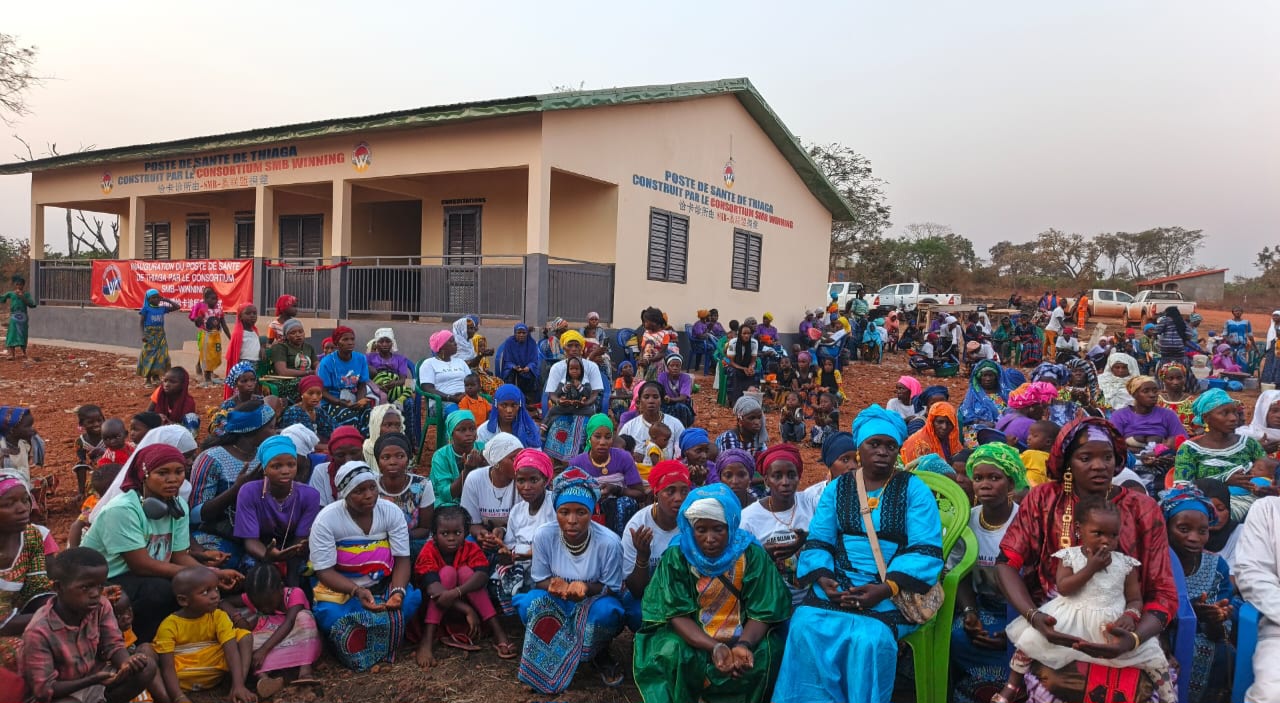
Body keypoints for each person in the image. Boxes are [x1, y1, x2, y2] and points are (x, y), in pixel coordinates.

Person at [996, 417, 1178, 703]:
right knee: (1056, 683)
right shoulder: (1044, 499)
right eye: (1085, 457)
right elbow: (1006, 561)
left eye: (1107, 457)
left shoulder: (1142, 508)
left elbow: (1163, 592)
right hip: (1059, 627)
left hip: (1124, 629)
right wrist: (1034, 617)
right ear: (1067, 463)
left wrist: (1132, 639)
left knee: (1137, 691)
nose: (1099, 466)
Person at [774, 405, 943, 703]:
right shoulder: (838, 488)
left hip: (892, 591)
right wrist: (824, 578)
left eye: (890, 446)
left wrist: (885, 588)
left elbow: (925, 548)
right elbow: (820, 538)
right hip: (839, 584)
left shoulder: (914, 490)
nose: (882, 452)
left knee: (870, 640)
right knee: (805, 625)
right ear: (859, 449)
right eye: (874, 444)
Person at [1000, 498, 1173, 703]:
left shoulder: (1125, 564)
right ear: (1079, 530)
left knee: (1153, 654)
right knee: (1029, 641)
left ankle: (1168, 696)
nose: (1106, 541)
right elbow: (1064, 587)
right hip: (1072, 617)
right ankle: (1011, 686)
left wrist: (1130, 614)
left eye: (1113, 535)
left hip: (1109, 623)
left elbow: (1135, 599)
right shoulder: (1070, 557)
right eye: (1098, 533)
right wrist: (1091, 568)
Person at [633, 482, 791, 703]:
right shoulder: (677, 555)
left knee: (768, 651)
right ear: (690, 528)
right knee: (671, 651)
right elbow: (677, 613)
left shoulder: (751, 554)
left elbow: (763, 609)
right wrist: (715, 646)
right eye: (701, 529)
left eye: (719, 528)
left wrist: (743, 645)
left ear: (732, 525)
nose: (710, 538)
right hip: (692, 636)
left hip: (743, 631)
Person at [83, 444, 243, 643]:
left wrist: (213, 574)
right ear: (144, 474)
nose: (173, 479)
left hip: (146, 575)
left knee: (201, 584)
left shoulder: (178, 506)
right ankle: (148, 644)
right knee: (163, 589)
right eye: (162, 473)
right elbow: (141, 565)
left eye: (179, 472)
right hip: (107, 579)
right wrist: (202, 575)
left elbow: (180, 556)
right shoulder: (122, 510)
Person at [514, 470, 625, 692]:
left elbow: (612, 589)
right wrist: (555, 587)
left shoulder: (609, 543)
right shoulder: (545, 535)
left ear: (592, 512)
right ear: (556, 512)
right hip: (558, 600)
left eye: (581, 512)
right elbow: (539, 581)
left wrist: (587, 589)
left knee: (608, 612)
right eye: (564, 512)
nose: (572, 521)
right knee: (530, 603)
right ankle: (545, 656)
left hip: (592, 603)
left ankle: (598, 652)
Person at [309, 461, 422, 671]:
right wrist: (357, 590)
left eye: (372, 488)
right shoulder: (326, 520)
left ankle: (370, 644)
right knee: (333, 615)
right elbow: (324, 570)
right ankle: (358, 651)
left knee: (409, 601)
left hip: (383, 583)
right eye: (359, 491)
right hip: (343, 590)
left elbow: (402, 558)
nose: (369, 495)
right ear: (345, 493)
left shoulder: (390, 511)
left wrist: (397, 591)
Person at [20, 548, 156, 703]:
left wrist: (126, 663)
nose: (95, 594)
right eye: (85, 587)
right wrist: (93, 680)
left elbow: (114, 645)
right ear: (57, 588)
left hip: (95, 679)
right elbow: (45, 690)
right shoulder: (39, 631)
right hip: (61, 692)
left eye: (99, 586)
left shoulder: (101, 606)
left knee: (146, 668)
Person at [950, 443, 1028, 703]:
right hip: (981, 606)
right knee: (959, 635)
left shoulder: (1025, 523)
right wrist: (970, 613)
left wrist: (1012, 629)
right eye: (979, 478)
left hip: (1020, 611)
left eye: (994, 478)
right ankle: (972, 689)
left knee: (1023, 642)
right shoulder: (967, 521)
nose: (984, 484)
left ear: (1011, 483)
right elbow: (959, 575)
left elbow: (1034, 582)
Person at [414, 506, 516, 666]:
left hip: (464, 603)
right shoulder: (429, 550)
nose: (451, 538)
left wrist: (456, 592)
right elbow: (434, 591)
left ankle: (499, 632)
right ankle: (427, 639)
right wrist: (466, 609)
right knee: (447, 572)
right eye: (444, 534)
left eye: (457, 533)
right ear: (434, 535)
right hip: (438, 607)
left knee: (466, 573)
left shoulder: (469, 547)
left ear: (466, 533)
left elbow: (482, 576)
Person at [1159, 485, 1234, 703]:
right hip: (1160, 635)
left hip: (1204, 639)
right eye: (1183, 529)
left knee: (1224, 653)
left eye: (1202, 531)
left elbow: (1219, 633)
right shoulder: (1157, 562)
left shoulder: (1217, 565)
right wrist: (1185, 612)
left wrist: (1216, 617)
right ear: (1166, 527)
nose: (1194, 538)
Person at [188, 400, 276, 566]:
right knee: (222, 562)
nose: (275, 432)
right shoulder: (212, 459)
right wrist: (236, 490)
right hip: (218, 533)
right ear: (252, 430)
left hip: (255, 533)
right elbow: (195, 515)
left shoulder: (264, 455)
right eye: (271, 427)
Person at [153, 566, 254, 703]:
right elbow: (167, 667)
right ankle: (170, 699)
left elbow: (231, 651)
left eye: (216, 589)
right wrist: (179, 696)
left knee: (245, 636)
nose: (215, 595)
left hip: (212, 671)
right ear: (183, 600)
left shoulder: (218, 616)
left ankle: (237, 686)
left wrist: (238, 684)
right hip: (181, 675)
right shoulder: (169, 625)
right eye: (206, 592)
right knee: (146, 651)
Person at [233, 435, 321, 584]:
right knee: (256, 572)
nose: (285, 471)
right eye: (276, 466)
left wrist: (285, 555)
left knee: (304, 573)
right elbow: (250, 541)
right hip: (261, 550)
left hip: (295, 550)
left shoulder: (310, 495)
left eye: (291, 464)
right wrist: (270, 557)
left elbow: (300, 539)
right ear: (265, 469)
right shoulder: (249, 492)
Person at [221, 563, 321, 694]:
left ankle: (305, 671)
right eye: (259, 605)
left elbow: (289, 622)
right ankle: (264, 678)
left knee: (305, 618)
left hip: (296, 637)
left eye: (268, 604)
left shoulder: (295, 594)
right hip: (270, 637)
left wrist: (264, 649)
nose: (264, 609)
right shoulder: (257, 596)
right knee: (247, 640)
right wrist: (238, 618)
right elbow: (223, 602)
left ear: (280, 588)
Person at [1174, 389, 1272, 520]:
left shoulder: (1249, 443)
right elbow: (1182, 489)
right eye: (1224, 413)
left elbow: (1270, 470)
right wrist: (1223, 481)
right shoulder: (1189, 450)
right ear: (1206, 418)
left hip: (1255, 502)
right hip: (1211, 509)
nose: (1233, 418)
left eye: (1235, 413)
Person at [0, 472, 59, 679]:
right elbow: (2, 623)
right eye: (9, 504)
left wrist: (59, 605)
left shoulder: (31, 536)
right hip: (7, 627)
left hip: (19, 618)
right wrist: (55, 613)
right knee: (21, 651)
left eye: (25, 500)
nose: (23, 508)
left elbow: (37, 588)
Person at [739, 445, 814, 606]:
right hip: (768, 603)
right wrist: (761, 554)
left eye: (791, 475)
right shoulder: (749, 518)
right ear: (766, 480)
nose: (785, 482)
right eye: (777, 476)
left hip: (812, 600)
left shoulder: (810, 504)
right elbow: (740, 565)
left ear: (799, 477)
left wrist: (808, 538)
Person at [620, 461, 688, 629]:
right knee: (639, 613)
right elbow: (637, 591)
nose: (678, 498)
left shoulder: (693, 523)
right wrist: (642, 557)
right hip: (646, 593)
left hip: (683, 591)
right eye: (670, 491)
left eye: (684, 491)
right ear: (657, 493)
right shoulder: (638, 526)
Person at [492, 449, 556, 615]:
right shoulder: (517, 511)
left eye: (534, 480)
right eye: (521, 481)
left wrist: (531, 555)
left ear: (545, 480)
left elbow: (561, 544)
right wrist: (505, 552)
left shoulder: (556, 506)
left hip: (549, 568)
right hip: (522, 566)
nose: (526, 487)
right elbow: (511, 545)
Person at [569, 415, 645, 535]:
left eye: (608, 437)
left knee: (625, 503)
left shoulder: (623, 457)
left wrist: (616, 490)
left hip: (619, 511)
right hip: (590, 509)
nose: (603, 442)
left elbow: (640, 494)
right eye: (597, 437)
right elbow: (570, 496)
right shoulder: (577, 463)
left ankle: (621, 542)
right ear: (589, 438)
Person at [373, 431, 433, 559]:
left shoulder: (422, 485)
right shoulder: (370, 485)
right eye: (386, 457)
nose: (393, 462)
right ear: (378, 462)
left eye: (400, 456)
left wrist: (398, 536)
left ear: (408, 460)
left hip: (412, 541)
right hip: (378, 542)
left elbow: (425, 528)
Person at [315, 326, 372, 433]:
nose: (350, 342)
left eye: (352, 339)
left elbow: (362, 385)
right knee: (351, 418)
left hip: (353, 399)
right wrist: (341, 403)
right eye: (345, 340)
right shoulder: (327, 363)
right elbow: (323, 391)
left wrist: (360, 401)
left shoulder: (360, 359)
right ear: (337, 343)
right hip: (332, 402)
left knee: (369, 415)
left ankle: (365, 446)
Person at [429, 409, 486, 510]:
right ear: (451, 433)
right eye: (462, 430)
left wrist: (485, 467)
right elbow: (445, 495)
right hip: (450, 503)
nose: (468, 434)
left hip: (480, 499)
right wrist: (467, 471)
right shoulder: (441, 456)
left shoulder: (484, 449)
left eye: (472, 429)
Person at [619, 381, 687, 451]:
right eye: (646, 397)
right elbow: (620, 452)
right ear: (639, 401)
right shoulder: (629, 427)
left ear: (661, 400)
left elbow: (682, 453)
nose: (651, 401)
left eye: (655, 397)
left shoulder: (675, 425)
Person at [307, 425, 365, 506]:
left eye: (354, 453)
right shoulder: (322, 472)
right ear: (332, 455)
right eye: (340, 455)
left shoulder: (370, 476)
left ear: (362, 450)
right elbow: (319, 509)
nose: (348, 460)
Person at [959, 360, 1012, 442]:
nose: (988, 379)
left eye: (991, 375)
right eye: (985, 375)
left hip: (1000, 431)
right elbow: (966, 417)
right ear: (980, 377)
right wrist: (982, 423)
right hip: (976, 432)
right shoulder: (972, 396)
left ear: (996, 377)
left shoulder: (1004, 395)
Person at [266, 318, 317, 403]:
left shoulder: (309, 347)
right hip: (285, 381)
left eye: (300, 332)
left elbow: (317, 364)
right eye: (293, 333)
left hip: (307, 378)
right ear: (286, 336)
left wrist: (318, 369)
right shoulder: (280, 347)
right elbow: (283, 371)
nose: (298, 335)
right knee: (307, 383)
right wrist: (309, 373)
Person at [188, 287, 231, 388]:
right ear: (206, 299)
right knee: (206, 357)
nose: (215, 301)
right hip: (206, 335)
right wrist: (197, 320)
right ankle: (207, 378)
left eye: (216, 299)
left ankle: (210, 375)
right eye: (212, 299)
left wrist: (230, 337)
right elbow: (197, 323)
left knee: (215, 356)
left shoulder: (219, 311)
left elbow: (224, 325)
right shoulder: (202, 310)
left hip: (216, 336)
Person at [137, 289, 182, 384]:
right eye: (153, 297)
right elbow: (141, 323)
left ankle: (156, 376)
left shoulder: (162, 308)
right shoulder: (146, 309)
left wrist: (166, 300)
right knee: (148, 356)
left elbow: (177, 307)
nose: (156, 299)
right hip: (150, 335)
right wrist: (142, 335)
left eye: (158, 297)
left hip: (160, 335)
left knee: (161, 355)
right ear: (149, 300)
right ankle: (148, 378)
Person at [477, 384, 542, 449]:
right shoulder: (484, 431)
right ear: (496, 405)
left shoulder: (530, 429)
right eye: (504, 405)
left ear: (519, 406)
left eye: (514, 405)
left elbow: (536, 456)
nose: (509, 410)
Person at [542, 357, 598, 429]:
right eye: (571, 369)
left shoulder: (585, 383)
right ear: (568, 370)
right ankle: (543, 430)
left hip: (579, 408)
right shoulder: (563, 382)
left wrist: (580, 387)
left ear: (581, 370)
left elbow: (588, 394)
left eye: (577, 369)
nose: (574, 371)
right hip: (566, 407)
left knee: (591, 412)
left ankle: (594, 430)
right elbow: (557, 393)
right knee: (552, 411)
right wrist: (564, 390)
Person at [365, 328, 414, 407]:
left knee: (411, 393)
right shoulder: (368, 357)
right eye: (381, 341)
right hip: (375, 388)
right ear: (376, 343)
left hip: (395, 387)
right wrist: (376, 387)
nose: (384, 344)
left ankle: (399, 404)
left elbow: (403, 379)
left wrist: (395, 383)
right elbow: (365, 377)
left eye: (388, 341)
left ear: (392, 343)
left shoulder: (401, 359)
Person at [495, 323, 543, 404]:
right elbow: (507, 360)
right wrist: (514, 367)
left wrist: (528, 367)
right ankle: (510, 397)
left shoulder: (531, 343)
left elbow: (534, 360)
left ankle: (529, 400)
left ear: (527, 333)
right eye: (519, 333)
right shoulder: (509, 342)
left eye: (524, 333)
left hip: (527, 368)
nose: (521, 335)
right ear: (515, 333)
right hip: (513, 368)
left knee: (533, 374)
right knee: (509, 373)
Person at [222, 304, 261, 401]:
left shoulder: (255, 331)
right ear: (240, 316)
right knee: (243, 386)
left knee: (252, 386)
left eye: (254, 313)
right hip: (243, 364)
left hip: (255, 364)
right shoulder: (238, 333)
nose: (252, 316)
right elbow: (234, 352)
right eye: (248, 313)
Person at [147, 366, 200, 436]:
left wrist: (171, 423)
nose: (167, 385)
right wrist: (157, 417)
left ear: (183, 385)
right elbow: (147, 413)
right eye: (165, 381)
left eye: (173, 382)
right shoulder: (160, 392)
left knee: (192, 418)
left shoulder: (188, 402)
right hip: (160, 429)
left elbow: (185, 424)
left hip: (178, 432)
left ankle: (187, 443)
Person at [0, 406, 44, 487]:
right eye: (27, 427)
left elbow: (24, 466)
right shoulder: (2, 449)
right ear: (12, 430)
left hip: (21, 487)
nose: (32, 429)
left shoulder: (24, 444)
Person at [1, 274, 36, 360]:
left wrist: (22, 296)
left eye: (20, 284)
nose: (18, 286)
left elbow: (32, 304)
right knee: (12, 335)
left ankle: (24, 353)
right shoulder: (11, 294)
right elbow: (2, 298)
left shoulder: (26, 295)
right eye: (17, 284)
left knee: (22, 335)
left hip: (23, 318)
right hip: (14, 317)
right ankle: (12, 355)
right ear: (15, 285)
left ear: (23, 285)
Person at [657, 355, 696, 428]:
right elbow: (660, 391)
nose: (675, 368)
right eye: (672, 366)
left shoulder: (686, 378)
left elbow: (683, 397)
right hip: (665, 404)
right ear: (667, 367)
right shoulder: (662, 376)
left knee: (680, 407)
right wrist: (665, 398)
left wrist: (670, 399)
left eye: (677, 366)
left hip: (681, 404)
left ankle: (682, 429)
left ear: (681, 367)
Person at [724, 324, 758, 407]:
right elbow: (730, 361)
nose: (747, 336)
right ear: (740, 334)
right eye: (744, 333)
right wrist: (743, 369)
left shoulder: (754, 343)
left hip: (746, 366)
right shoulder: (733, 342)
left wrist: (750, 367)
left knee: (754, 373)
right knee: (735, 373)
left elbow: (753, 361)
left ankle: (752, 399)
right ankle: (734, 399)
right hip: (732, 365)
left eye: (749, 333)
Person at [362, 403, 404, 468]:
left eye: (397, 425)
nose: (394, 430)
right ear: (376, 427)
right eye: (388, 425)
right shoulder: (364, 453)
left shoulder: (402, 451)